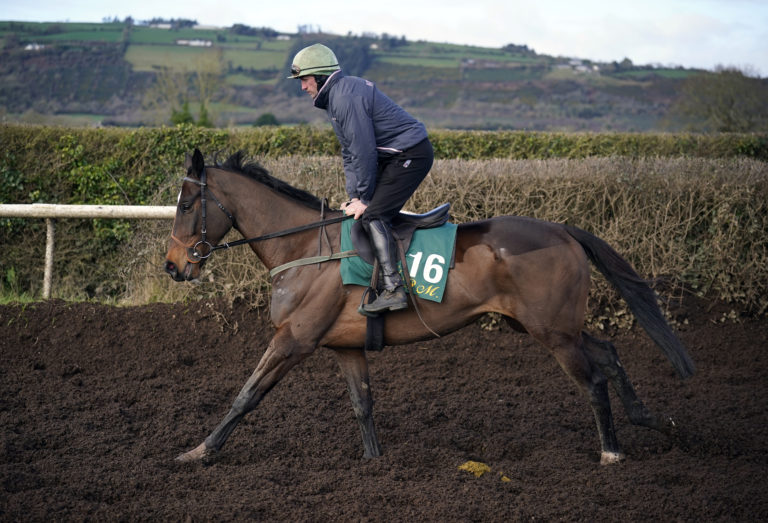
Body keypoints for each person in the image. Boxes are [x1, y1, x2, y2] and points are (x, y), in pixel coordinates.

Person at [288, 43, 434, 315]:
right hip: (395, 157)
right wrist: (354, 196)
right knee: (363, 209)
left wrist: (365, 200)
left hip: (410, 155)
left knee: (372, 215)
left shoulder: (344, 98)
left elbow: (365, 153)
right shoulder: (336, 97)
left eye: (304, 80)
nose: (302, 87)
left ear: (320, 77)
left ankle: (394, 289)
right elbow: (350, 153)